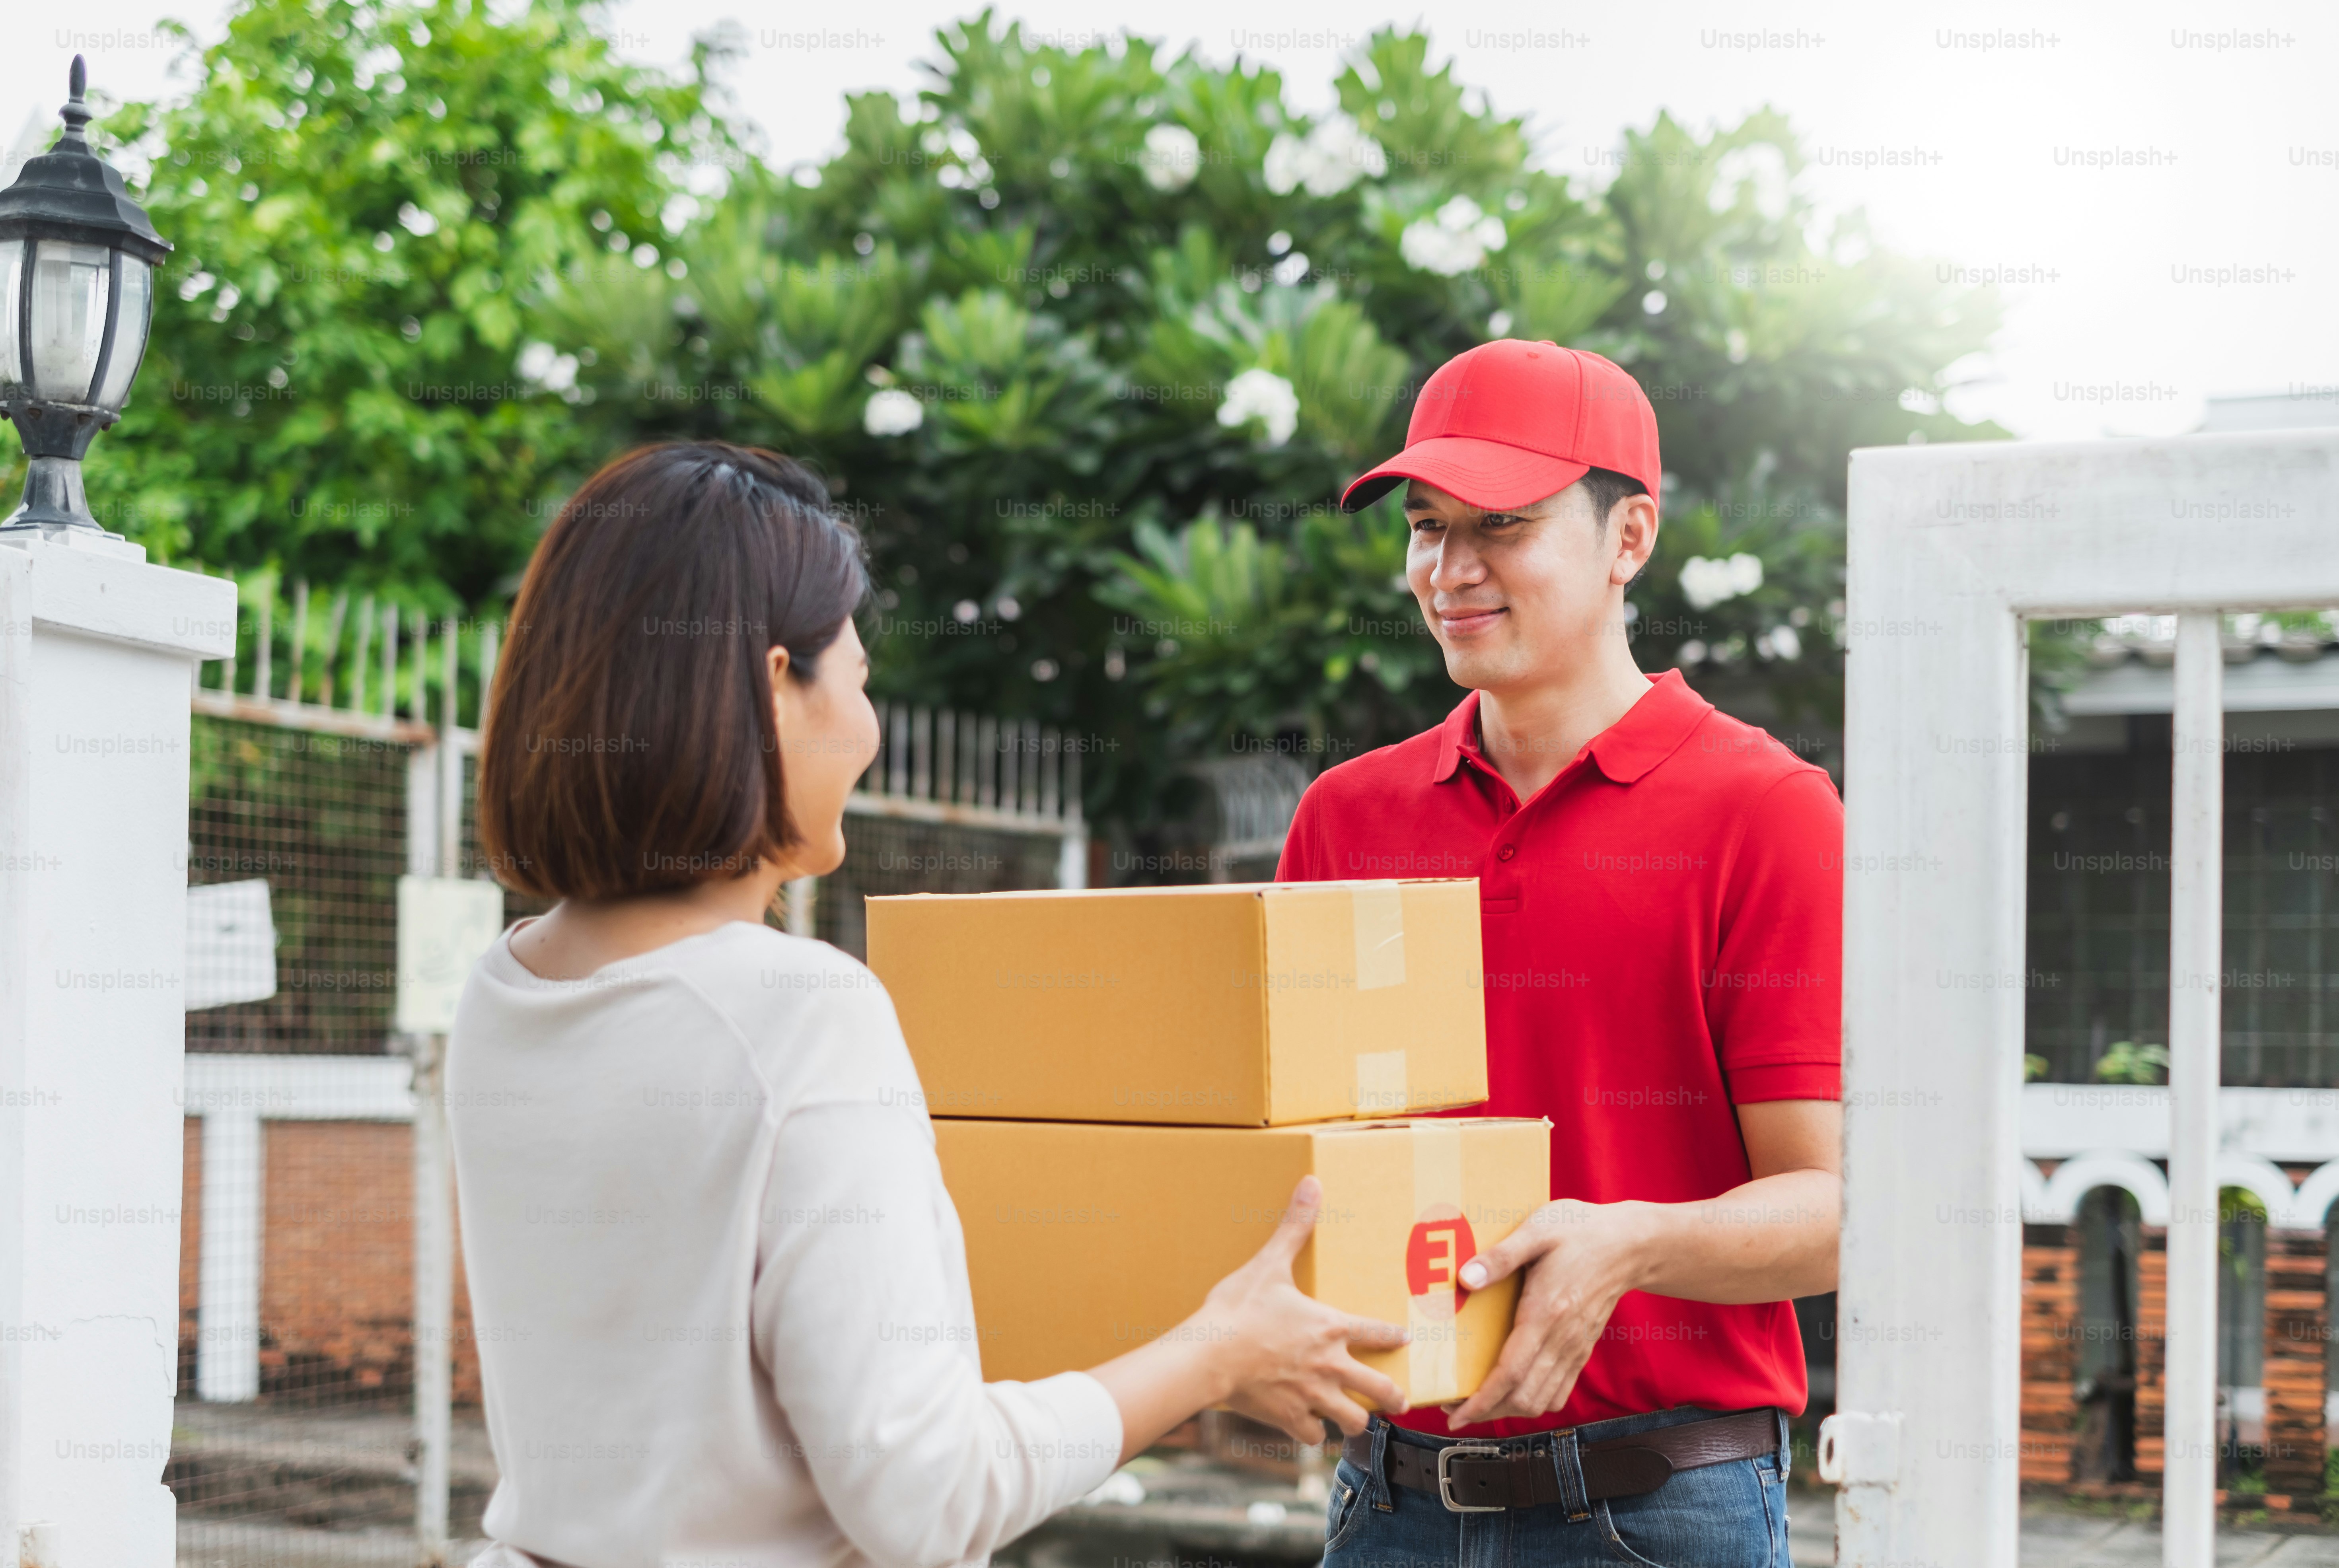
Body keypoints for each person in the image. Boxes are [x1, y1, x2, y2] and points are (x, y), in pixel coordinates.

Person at [450, 442, 1408, 1568]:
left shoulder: (504, 989)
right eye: (857, 679)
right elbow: (925, 1492)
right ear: (774, 687)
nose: (869, 727)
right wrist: (1217, 1353)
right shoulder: (800, 1012)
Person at [1279, 341, 1841, 1567]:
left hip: (1658, 1511)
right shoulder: (1347, 817)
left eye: (1502, 525)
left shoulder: (1764, 810)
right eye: (1426, 526)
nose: (1448, 569)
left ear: (1628, 536)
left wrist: (1627, 1242)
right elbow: (1290, 1150)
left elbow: (1835, 1210)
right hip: (1387, 1506)